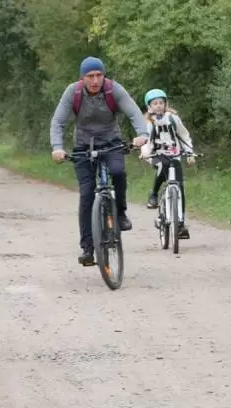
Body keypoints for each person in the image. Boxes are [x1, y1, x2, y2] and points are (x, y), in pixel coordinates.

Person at [50, 56, 149, 267]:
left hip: (111, 142)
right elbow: (58, 122)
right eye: (90, 76)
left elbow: (134, 113)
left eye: (99, 75)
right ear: (82, 78)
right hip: (83, 146)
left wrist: (142, 134)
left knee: (118, 172)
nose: (95, 80)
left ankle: (120, 213)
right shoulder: (73, 92)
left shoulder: (113, 90)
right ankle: (87, 248)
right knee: (86, 193)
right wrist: (57, 147)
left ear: (104, 75)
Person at [139, 88, 196, 239]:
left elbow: (184, 135)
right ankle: (154, 193)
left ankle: (181, 223)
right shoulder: (148, 122)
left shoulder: (173, 118)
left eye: (161, 103)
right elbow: (146, 139)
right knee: (160, 166)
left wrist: (189, 152)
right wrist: (145, 152)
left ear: (165, 104)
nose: (158, 105)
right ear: (149, 107)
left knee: (179, 187)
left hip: (174, 154)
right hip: (156, 154)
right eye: (155, 103)